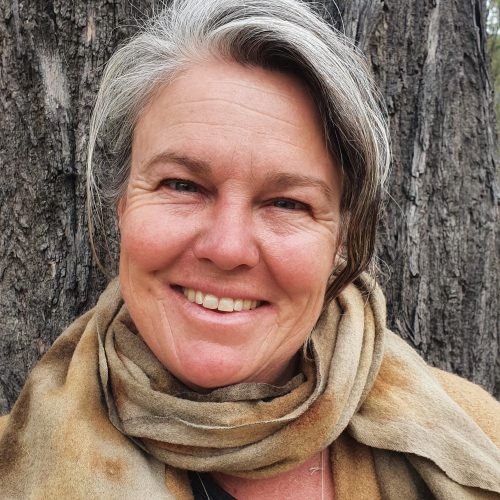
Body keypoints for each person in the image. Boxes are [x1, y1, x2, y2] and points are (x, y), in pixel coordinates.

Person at [0, 0, 499, 498]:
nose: (227, 247)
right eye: (182, 185)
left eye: (286, 202)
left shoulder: (482, 442)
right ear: (123, 204)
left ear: (341, 240)